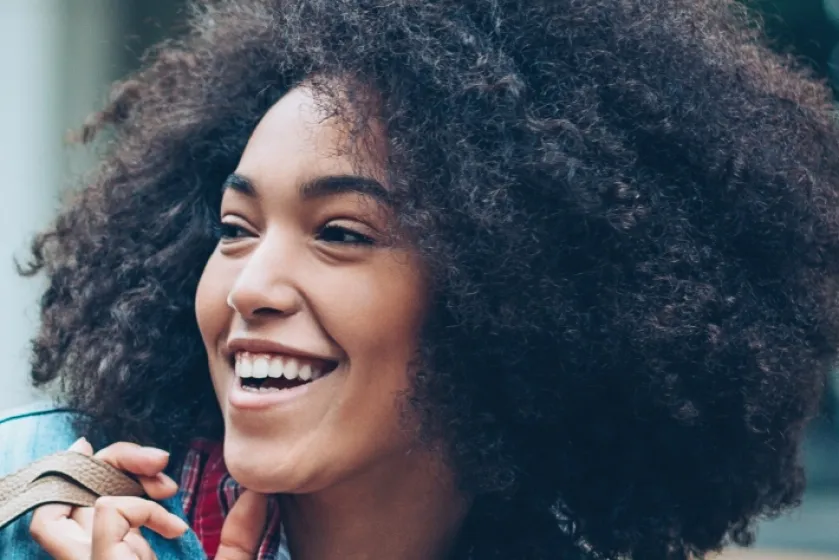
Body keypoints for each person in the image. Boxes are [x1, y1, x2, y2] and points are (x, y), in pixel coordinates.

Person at [3, 0, 839, 558]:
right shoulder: (36, 495)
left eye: (339, 233)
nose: (249, 286)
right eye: (233, 229)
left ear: (510, 299)